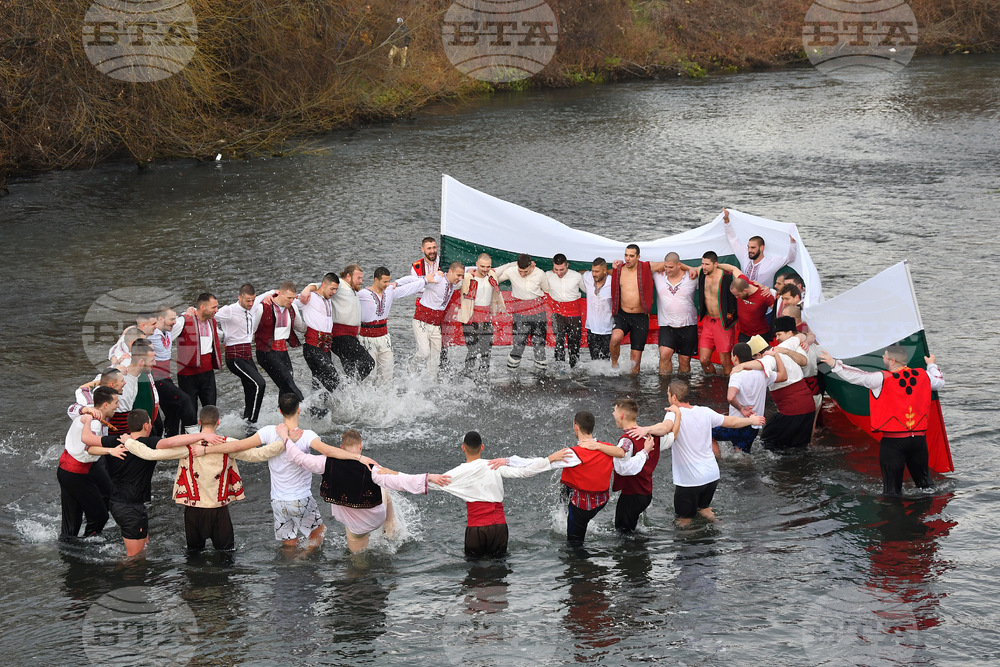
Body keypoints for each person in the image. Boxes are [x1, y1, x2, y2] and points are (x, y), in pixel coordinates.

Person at [229, 392, 373, 551]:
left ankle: (290, 568)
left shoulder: (268, 432)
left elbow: (238, 447)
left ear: (280, 411)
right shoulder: (307, 435)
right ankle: (302, 558)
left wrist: (211, 448)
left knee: (289, 543)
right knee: (319, 532)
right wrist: (357, 458)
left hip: (277, 502)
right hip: (300, 499)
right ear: (299, 410)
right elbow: (328, 451)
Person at [284, 428, 451, 553]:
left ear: (341, 447)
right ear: (361, 446)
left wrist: (286, 438)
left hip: (355, 526)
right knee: (384, 488)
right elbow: (401, 481)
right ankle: (390, 524)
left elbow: (298, 458)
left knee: (358, 561)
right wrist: (428, 477)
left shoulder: (325, 462)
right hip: (374, 518)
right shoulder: (372, 469)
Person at [628, 380, 764, 526]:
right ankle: (721, 526)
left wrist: (646, 429)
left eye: (668, 394)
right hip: (711, 476)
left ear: (674, 397)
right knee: (704, 509)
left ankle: (690, 545)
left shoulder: (674, 413)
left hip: (690, 480)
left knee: (684, 520)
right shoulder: (705, 411)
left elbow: (664, 428)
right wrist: (751, 420)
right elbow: (731, 422)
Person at [819, 345, 945, 496]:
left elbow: (858, 376)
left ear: (892, 360)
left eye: (884, 356)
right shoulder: (924, 375)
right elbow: (939, 381)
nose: (883, 358)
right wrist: (931, 364)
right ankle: (929, 514)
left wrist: (834, 364)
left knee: (891, 492)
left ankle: (894, 516)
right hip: (918, 441)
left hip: (894, 443)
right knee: (926, 486)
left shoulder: (881, 378)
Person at [166, 405, 286, 554]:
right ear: (218, 422)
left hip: (193, 510)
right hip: (219, 510)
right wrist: (284, 441)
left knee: (194, 555)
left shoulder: (186, 445)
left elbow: (155, 452)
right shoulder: (229, 443)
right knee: (227, 555)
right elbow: (258, 454)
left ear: (199, 422)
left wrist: (131, 442)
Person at [436, 430, 569, 558]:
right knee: (499, 573)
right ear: (482, 447)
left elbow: (433, 483)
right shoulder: (495, 466)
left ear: (463, 448)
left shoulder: (459, 471)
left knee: (473, 574)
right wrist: (549, 459)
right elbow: (524, 472)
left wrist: (427, 477)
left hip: (476, 529)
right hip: (498, 528)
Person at [109, 409, 224, 557]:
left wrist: (109, 451)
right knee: (134, 560)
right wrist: (203, 435)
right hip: (130, 508)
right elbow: (170, 441)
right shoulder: (148, 442)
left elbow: (89, 443)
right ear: (146, 426)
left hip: (118, 502)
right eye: (150, 422)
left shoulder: (114, 440)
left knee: (143, 551)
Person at [57, 386, 127, 539]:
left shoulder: (90, 409)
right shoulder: (93, 422)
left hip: (78, 468)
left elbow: (75, 403)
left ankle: (72, 540)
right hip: (75, 472)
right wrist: (111, 451)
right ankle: (87, 542)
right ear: (105, 405)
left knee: (108, 494)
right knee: (99, 517)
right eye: (116, 402)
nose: (118, 406)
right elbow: (90, 449)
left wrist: (83, 410)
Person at [547, 411, 626, 542]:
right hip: (601, 500)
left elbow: (541, 465)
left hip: (582, 507)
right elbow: (622, 452)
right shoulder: (607, 447)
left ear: (576, 427)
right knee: (566, 488)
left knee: (574, 544)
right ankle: (565, 510)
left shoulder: (573, 454)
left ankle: (579, 560)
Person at [731, 334, 815, 452]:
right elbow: (802, 335)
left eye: (753, 358)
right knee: (799, 447)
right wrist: (807, 341)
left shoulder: (768, 358)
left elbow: (761, 364)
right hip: (809, 405)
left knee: (767, 442)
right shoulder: (781, 347)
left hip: (793, 410)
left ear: (759, 355)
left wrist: (742, 366)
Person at [609, 398, 680, 533]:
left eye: (615, 410)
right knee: (632, 530)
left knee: (623, 533)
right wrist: (677, 415)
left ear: (621, 415)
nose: (613, 413)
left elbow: (622, 469)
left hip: (632, 495)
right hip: (646, 494)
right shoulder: (652, 436)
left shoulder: (626, 441)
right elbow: (674, 435)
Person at [712, 342, 785, 453]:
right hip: (753, 426)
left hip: (737, 425)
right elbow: (783, 376)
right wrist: (776, 356)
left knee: (705, 432)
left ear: (735, 357)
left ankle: (718, 460)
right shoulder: (762, 373)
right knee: (742, 454)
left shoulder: (736, 374)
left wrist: (741, 409)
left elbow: (731, 397)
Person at [358, 267, 423, 384]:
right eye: (384, 282)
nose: (387, 284)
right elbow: (343, 294)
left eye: (389, 281)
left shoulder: (389, 291)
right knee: (369, 376)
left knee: (387, 373)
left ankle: (384, 398)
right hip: (367, 339)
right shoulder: (363, 294)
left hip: (384, 339)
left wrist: (425, 281)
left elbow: (409, 287)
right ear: (376, 280)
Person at [215, 285, 267, 427]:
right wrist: (222, 336)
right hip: (234, 357)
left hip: (247, 355)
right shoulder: (229, 310)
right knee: (260, 384)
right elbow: (207, 314)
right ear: (240, 297)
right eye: (248, 301)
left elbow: (267, 294)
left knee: (251, 387)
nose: (251, 304)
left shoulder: (254, 304)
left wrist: (275, 292)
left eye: (252, 300)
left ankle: (246, 420)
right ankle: (252, 423)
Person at [496, 254, 551, 372]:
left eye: (525, 271)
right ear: (517, 265)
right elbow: (494, 278)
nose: (522, 274)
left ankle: (541, 377)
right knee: (518, 346)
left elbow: (547, 290)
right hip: (520, 314)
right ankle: (511, 375)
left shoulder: (540, 273)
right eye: (520, 271)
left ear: (531, 265)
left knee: (539, 345)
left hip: (538, 314)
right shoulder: (511, 271)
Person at [610, 245, 661, 374]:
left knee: (636, 361)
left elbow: (670, 264)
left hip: (640, 317)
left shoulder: (646, 267)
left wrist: (690, 269)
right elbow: (600, 269)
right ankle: (614, 366)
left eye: (631, 256)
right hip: (623, 314)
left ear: (638, 257)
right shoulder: (619, 269)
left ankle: (633, 388)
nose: (628, 258)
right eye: (626, 255)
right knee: (615, 338)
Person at [149, 304, 198, 436]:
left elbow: (183, 318)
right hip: (154, 379)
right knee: (185, 400)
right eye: (171, 319)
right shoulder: (149, 333)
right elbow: (127, 337)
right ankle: (193, 437)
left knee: (173, 411)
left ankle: (171, 441)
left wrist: (189, 311)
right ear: (160, 319)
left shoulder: (171, 328)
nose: (174, 322)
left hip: (166, 378)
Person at [722, 208, 798, 290]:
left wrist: (793, 242)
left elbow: (790, 258)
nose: (750, 250)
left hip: (763, 297)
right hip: (744, 295)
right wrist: (726, 221)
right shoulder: (744, 256)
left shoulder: (771, 262)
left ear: (762, 248)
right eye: (748, 247)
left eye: (753, 247)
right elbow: (733, 241)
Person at [325, 264, 376, 381]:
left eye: (362, 278)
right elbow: (320, 286)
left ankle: (346, 394)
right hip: (340, 336)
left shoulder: (350, 289)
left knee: (351, 370)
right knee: (368, 363)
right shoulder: (340, 284)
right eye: (358, 278)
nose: (361, 281)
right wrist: (307, 290)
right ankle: (346, 388)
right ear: (348, 276)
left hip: (349, 337)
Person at [255, 282, 304, 402]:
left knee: (285, 386)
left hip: (283, 351)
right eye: (289, 298)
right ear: (280, 293)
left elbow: (301, 327)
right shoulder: (263, 307)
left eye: (293, 298)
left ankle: (284, 413)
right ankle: (307, 407)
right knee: (288, 380)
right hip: (266, 351)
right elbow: (251, 328)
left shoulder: (293, 308)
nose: (291, 301)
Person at [412, 263, 463, 377]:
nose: (460, 279)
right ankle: (411, 370)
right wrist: (396, 284)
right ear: (450, 271)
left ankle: (430, 382)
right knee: (424, 352)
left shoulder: (454, 284)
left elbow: (472, 271)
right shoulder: (437, 280)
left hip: (435, 326)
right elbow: (415, 281)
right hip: (421, 321)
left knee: (435, 358)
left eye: (461, 276)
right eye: (458, 275)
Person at [458, 253, 506, 375]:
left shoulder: (492, 275)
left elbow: (507, 267)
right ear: (477, 264)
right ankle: (468, 372)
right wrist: (468, 270)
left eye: (488, 266)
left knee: (486, 351)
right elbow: (453, 279)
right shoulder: (468, 277)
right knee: (473, 350)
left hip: (486, 320)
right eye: (482, 266)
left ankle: (484, 376)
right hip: (470, 320)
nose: (485, 269)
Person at [653, 252, 699, 375]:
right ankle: (663, 387)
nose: (667, 270)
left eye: (671, 267)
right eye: (666, 267)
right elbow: (642, 267)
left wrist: (690, 268)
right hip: (667, 325)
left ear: (679, 265)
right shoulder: (658, 275)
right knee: (664, 355)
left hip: (688, 325)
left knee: (684, 361)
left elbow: (708, 268)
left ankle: (682, 390)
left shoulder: (692, 276)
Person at [176, 293, 221, 412]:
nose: (217, 310)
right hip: (187, 376)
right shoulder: (184, 321)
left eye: (217, 307)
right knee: (189, 412)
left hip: (207, 374)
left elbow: (221, 336)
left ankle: (208, 431)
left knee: (211, 411)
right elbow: (165, 336)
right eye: (213, 307)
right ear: (202, 307)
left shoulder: (212, 322)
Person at [298, 273, 341, 395]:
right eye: (332, 289)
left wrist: (310, 286)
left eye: (336, 289)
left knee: (319, 384)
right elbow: (288, 301)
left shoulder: (328, 299)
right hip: (312, 347)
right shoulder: (309, 297)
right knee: (333, 379)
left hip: (325, 348)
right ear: (323, 285)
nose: (334, 292)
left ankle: (315, 410)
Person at [697, 251, 738, 375]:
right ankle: (712, 383)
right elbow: (692, 268)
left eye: (707, 264)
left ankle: (728, 386)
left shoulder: (726, 277)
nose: (704, 267)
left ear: (716, 264)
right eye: (702, 264)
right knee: (703, 360)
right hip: (708, 321)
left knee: (725, 361)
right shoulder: (702, 274)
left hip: (722, 322)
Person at [411, 236, 447, 368]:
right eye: (429, 248)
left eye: (434, 248)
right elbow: (416, 289)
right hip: (422, 309)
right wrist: (433, 281)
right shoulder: (416, 266)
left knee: (440, 347)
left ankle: (436, 374)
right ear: (422, 249)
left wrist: (427, 284)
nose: (432, 251)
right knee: (423, 348)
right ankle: (413, 369)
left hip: (439, 308)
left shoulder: (445, 262)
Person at [715, 262, 775, 341]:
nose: (736, 297)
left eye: (738, 295)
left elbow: (778, 310)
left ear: (745, 290)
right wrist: (716, 265)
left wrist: (772, 291)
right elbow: (733, 269)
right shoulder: (743, 281)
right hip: (743, 334)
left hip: (760, 335)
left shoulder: (764, 294)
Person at [546, 253, 586, 370]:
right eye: (556, 269)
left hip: (574, 313)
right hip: (557, 312)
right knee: (559, 340)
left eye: (562, 269)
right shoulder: (548, 275)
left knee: (574, 344)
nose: (559, 273)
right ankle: (560, 369)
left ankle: (574, 368)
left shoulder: (576, 276)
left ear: (567, 265)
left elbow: (589, 291)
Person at [117, 338, 161, 436]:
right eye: (152, 360)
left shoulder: (136, 375)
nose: (155, 363)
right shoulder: (123, 383)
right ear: (141, 362)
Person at [582, 257, 613, 360]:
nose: (594, 274)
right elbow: (576, 273)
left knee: (606, 360)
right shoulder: (587, 277)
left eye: (597, 271)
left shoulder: (612, 281)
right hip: (591, 328)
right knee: (594, 361)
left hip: (607, 329)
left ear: (605, 271)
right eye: (593, 271)